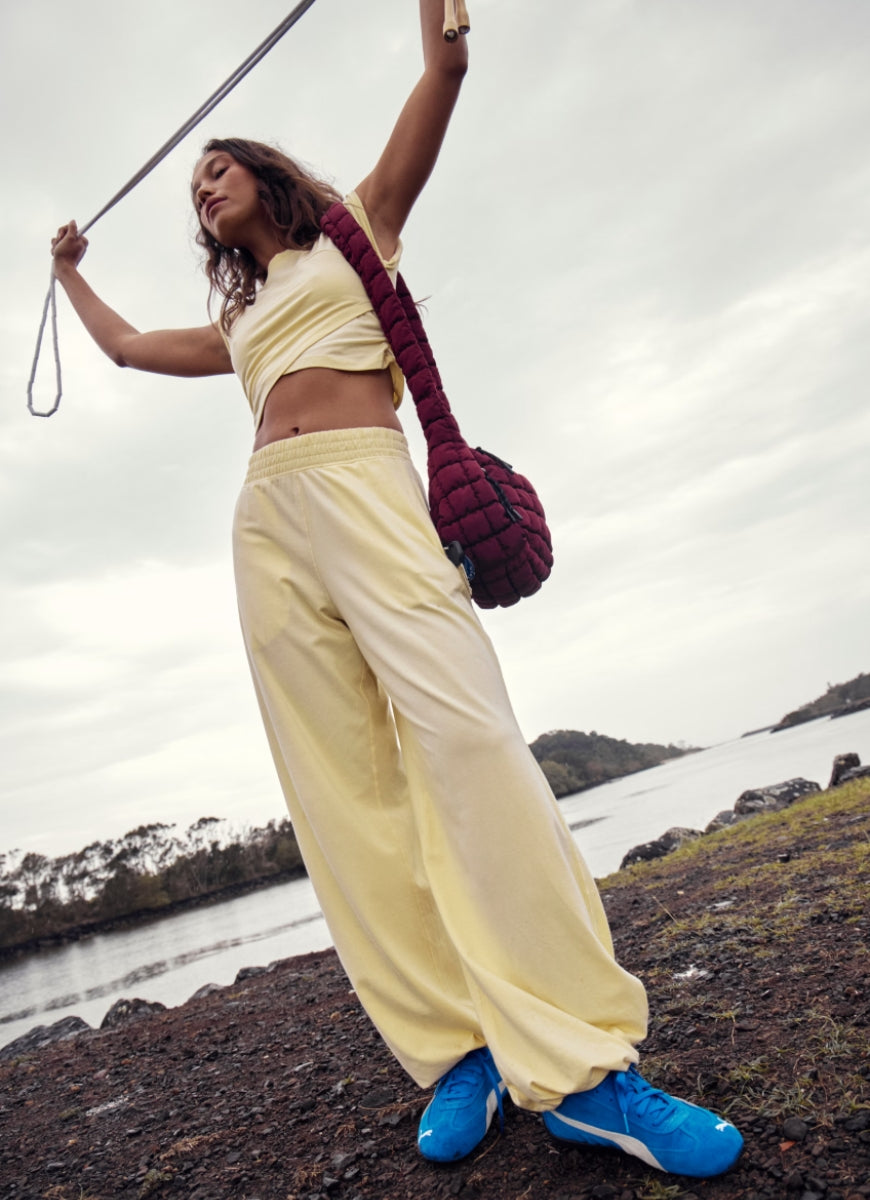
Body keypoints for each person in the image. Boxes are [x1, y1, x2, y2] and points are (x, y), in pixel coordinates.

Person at [49, 0, 742, 1179]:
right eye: (193, 183)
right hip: (268, 524)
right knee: (346, 793)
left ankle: (581, 1071)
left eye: (219, 167)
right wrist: (68, 273)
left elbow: (446, 66)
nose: (203, 183)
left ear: (266, 177)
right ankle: (456, 1051)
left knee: (470, 746)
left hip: (371, 490)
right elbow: (122, 349)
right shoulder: (242, 316)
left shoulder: (358, 229)